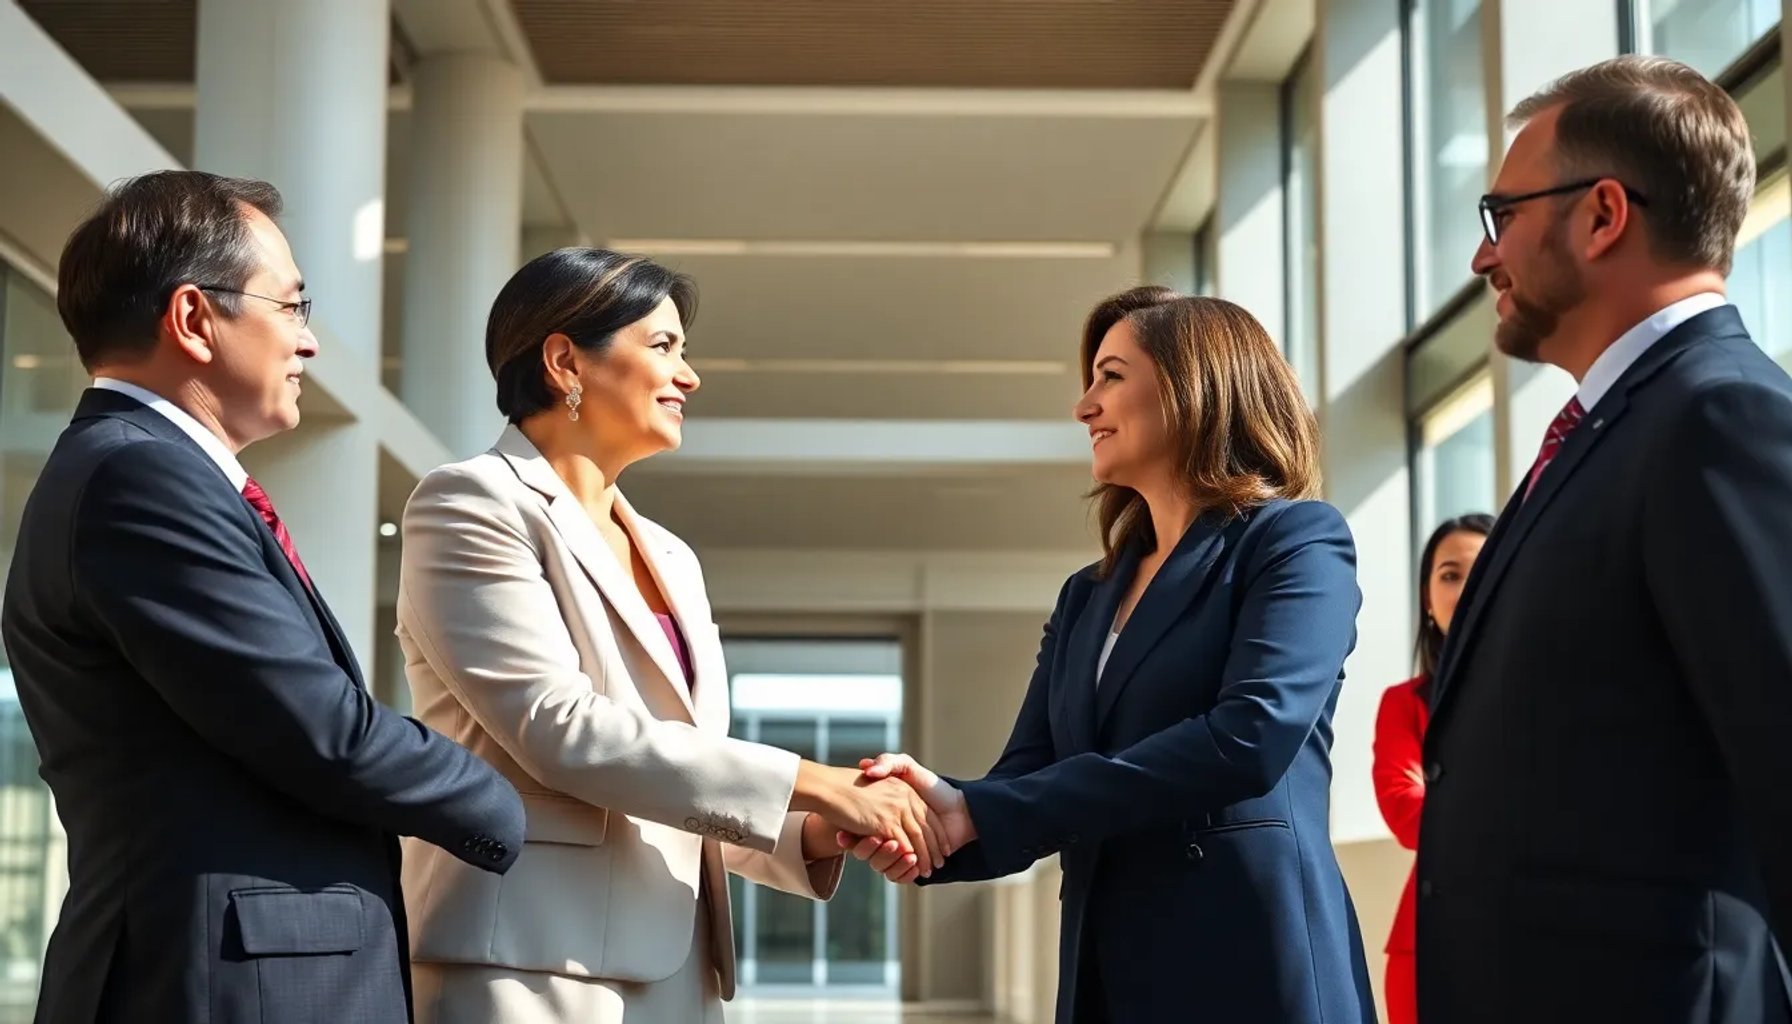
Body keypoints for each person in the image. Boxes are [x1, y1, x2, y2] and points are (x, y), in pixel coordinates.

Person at [0, 171, 526, 1024]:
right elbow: (320, 726)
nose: (308, 343)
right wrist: (509, 798)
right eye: (291, 307)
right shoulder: (141, 478)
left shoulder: (140, 472)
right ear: (194, 319)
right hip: (228, 983)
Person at [395, 248, 944, 1024]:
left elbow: (685, 781)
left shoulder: (671, 555)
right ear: (564, 361)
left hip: (676, 970)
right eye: (664, 347)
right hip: (524, 962)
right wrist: (818, 781)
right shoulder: (470, 504)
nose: (689, 376)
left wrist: (821, 830)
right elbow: (559, 729)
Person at [846, 287, 1376, 1023]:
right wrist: (934, 817)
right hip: (1106, 967)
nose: (1084, 406)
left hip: (1250, 961)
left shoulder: (1295, 541)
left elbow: (1249, 739)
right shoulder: (1087, 595)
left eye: (1111, 376)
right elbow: (1032, 775)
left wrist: (980, 810)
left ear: (1198, 384)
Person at [1418, 55, 1792, 1024]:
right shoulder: (1613, 430)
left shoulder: (1721, 418)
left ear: (1602, 215)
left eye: (1500, 217)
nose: (1482, 257)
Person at [1372, 513, 1492, 1024]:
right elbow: (1404, 809)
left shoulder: (1547, 699)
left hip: (1537, 929)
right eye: (1449, 574)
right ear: (1427, 597)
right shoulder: (1404, 704)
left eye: (1483, 569)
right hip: (1430, 939)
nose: (1465, 589)